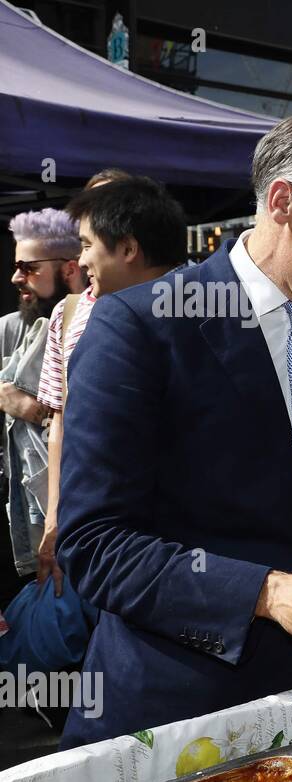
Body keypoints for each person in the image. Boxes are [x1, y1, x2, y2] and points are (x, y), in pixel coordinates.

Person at [56, 109, 292, 746]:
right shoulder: (140, 327)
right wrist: (263, 593)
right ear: (284, 202)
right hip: (184, 715)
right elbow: (96, 546)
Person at [34, 167, 134, 594]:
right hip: (85, 508)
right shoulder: (68, 312)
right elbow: (59, 420)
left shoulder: (176, 303)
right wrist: (55, 518)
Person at [3, 210, 81, 600]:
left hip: (74, 516)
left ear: (70, 268)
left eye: (28, 267)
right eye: (17, 266)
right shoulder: (10, 329)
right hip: (20, 512)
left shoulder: (92, 324)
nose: (17, 277)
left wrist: (26, 405)